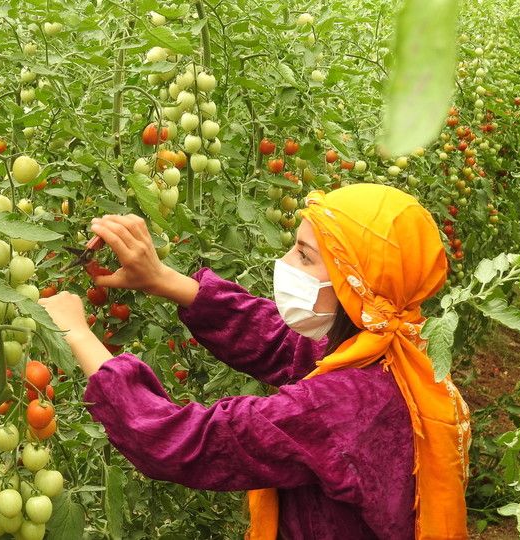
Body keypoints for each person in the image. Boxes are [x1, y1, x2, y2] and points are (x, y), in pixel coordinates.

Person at [39, 183, 471, 539]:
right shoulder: (396, 351)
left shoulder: (341, 406)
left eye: (305, 256)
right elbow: (284, 345)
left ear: (354, 283)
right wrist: (164, 280)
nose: (284, 263)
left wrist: (75, 333)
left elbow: (186, 442)